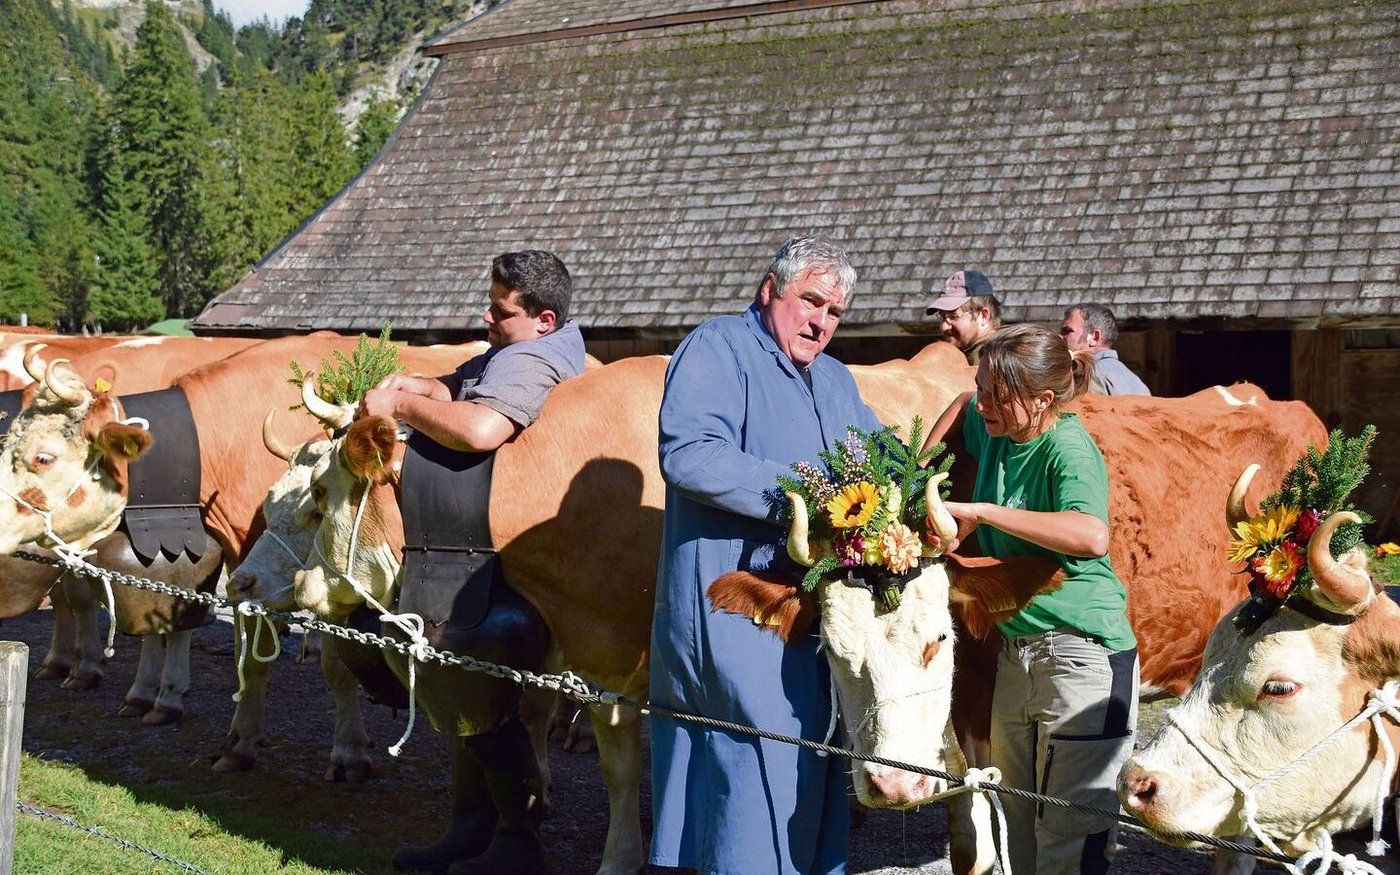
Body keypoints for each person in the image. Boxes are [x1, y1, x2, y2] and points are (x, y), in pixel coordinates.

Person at [649, 234, 883, 875]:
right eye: (810, 301)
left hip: (811, 617)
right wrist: (806, 497)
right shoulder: (719, 346)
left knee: (813, 762)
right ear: (770, 291)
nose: (822, 322)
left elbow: (881, 457)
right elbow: (689, 454)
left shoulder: (834, 378)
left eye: (834, 313)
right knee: (749, 767)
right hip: (731, 605)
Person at [922, 324, 1138, 875]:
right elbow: (960, 404)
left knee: (1071, 831)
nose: (985, 402)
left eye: (998, 394)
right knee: (1017, 820)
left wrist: (983, 512)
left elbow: (1091, 535)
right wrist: (919, 472)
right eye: (983, 385)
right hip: (1017, 652)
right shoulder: (993, 425)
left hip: (1082, 656)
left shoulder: (1068, 447)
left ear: (1044, 400)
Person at [357, 249, 586, 446]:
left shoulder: (533, 361)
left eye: (503, 312)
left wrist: (398, 404)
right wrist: (418, 386)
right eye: (490, 303)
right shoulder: (520, 342)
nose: (487, 316)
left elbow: (480, 431)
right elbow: (460, 383)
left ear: (545, 321)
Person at [1059, 303, 1150, 396]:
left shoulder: (1088, 378)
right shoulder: (1138, 384)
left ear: (1094, 337)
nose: (1059, 336)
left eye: (1067, 331)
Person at [926, 268, 1001, 364]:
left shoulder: (993, 362)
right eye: (942, 317)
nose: (944, 327)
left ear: (983, 316)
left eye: (954, 316)